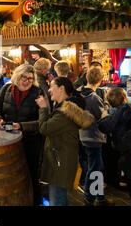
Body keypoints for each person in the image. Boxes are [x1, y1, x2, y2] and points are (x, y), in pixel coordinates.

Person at [36, 77, 93, 206]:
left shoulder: (64, 113)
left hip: (60, 162)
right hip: (61, 159)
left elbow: (44, 128)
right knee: (60, 197)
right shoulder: (64, 108)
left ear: (61, 88)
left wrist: (43, 108)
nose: (49, 90)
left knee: (57, 200)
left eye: (51, 86)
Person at [0, 64, 43, 205]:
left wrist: (21, 126)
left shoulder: (38, 92)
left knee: (31, 173)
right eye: (24, 77)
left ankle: (34, 201)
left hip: (30, 140)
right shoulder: (6, 88)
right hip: (8, 138)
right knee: (11, 172)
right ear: (17, 76)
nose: (27, 81)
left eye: (30, 79)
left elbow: (43, 122)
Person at [98, 87, 131, 205]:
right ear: (124, 98)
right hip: (128, 151)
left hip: (118, 148)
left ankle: (97, 196)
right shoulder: (127, 110)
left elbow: (104, 126)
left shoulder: (111, 113)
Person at [79, 66, 113, 206]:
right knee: (94, 169)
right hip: (93, 137)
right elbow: (103, 117)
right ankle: (89, 197)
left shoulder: (79, 92)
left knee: (97, 167)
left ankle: (100, 198)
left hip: (82, 134)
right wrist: (106, 100)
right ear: (100, 80)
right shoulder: (93, 97)